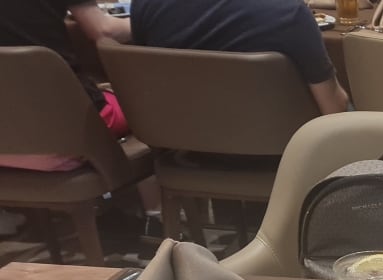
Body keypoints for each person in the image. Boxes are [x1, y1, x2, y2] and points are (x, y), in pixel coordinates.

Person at [130, 0, 349, 115]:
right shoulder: (290, 12)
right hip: (284, 156)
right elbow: (334, 108)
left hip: (185, 150)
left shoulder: (144, 5)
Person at [0, 0, 133, 171]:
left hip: (7, 130)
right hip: (67, 126)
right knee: (143, 110)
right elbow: (103, 29)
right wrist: (144, 21)